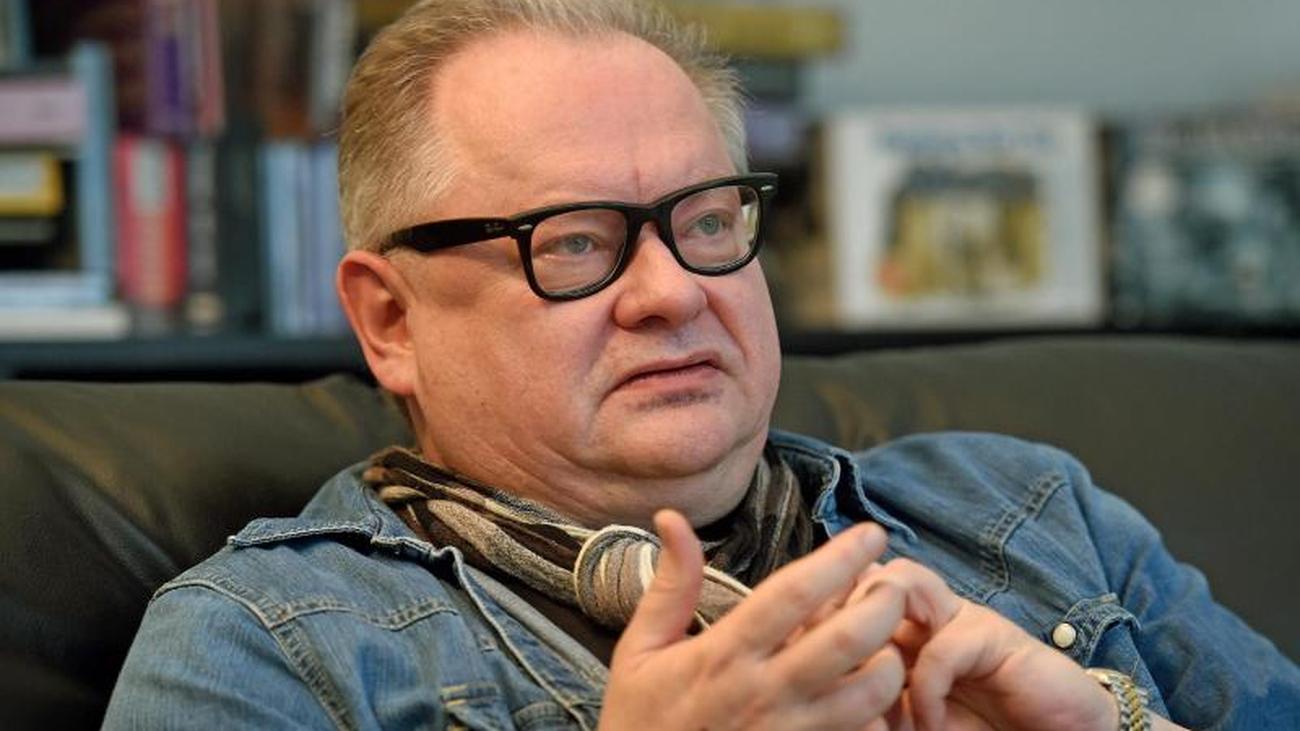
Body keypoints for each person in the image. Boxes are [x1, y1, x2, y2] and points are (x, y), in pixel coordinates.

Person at [104, 1, 1299, 728]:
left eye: (707, 219)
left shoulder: (1032, 513)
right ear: (390, 321)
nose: (674, 289)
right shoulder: (265, 648)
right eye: (574, 241)